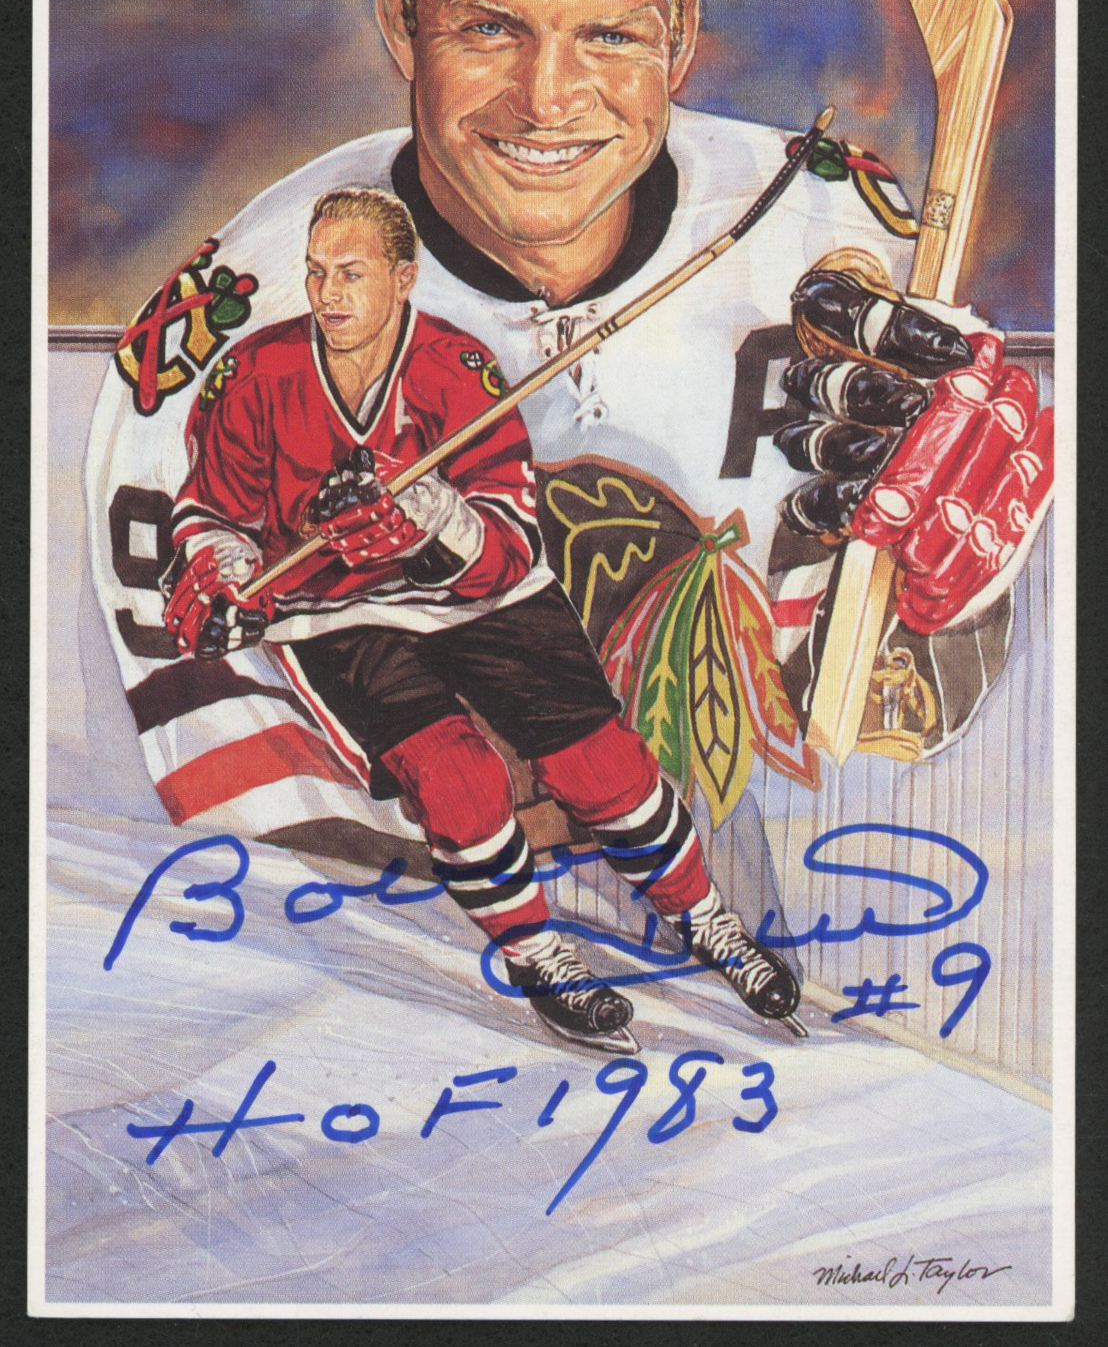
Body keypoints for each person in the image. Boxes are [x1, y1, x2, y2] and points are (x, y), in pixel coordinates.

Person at [90, 0, 1049, 968]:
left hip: (819, 928)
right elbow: (275, 871)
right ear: (399, 20)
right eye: (489, 28)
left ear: (682, 33)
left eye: (610, 34)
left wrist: (950, 608)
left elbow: (890, 732)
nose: (547, 98)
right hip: (420, 982)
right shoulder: (219, 335)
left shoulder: (836, 236)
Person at [162, 184, 805, 1052]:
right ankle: (540, 954)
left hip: (482, 592)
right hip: (337, 610)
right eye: (316, 273)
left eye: (351, 273)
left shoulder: (456, 367)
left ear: (403, 277)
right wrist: (227, 575)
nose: (329, 294)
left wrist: (428, 514)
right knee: (456, 779)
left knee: (601, 766)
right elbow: (211, 509)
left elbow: (504, 541)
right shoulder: (258, 374)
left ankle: (706, 920)